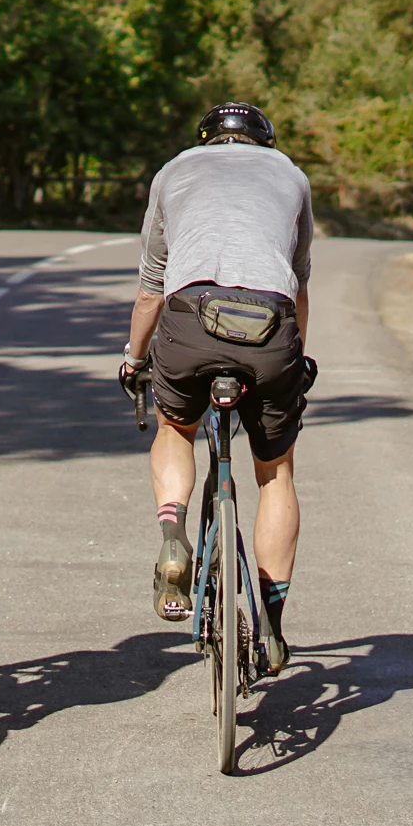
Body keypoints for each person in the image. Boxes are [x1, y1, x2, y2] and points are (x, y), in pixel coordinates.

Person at [119, 103, 315, 674]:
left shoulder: (174, 170)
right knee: (275, 471)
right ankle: (272, 626)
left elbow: (152, 287)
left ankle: (173, 529)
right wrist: (296, 357)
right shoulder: (290, 174)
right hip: (269, 322)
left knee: (176, 427)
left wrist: (134, 358)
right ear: (264, 141)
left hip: (188, 316)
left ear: (205, 140)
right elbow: (298, 280)